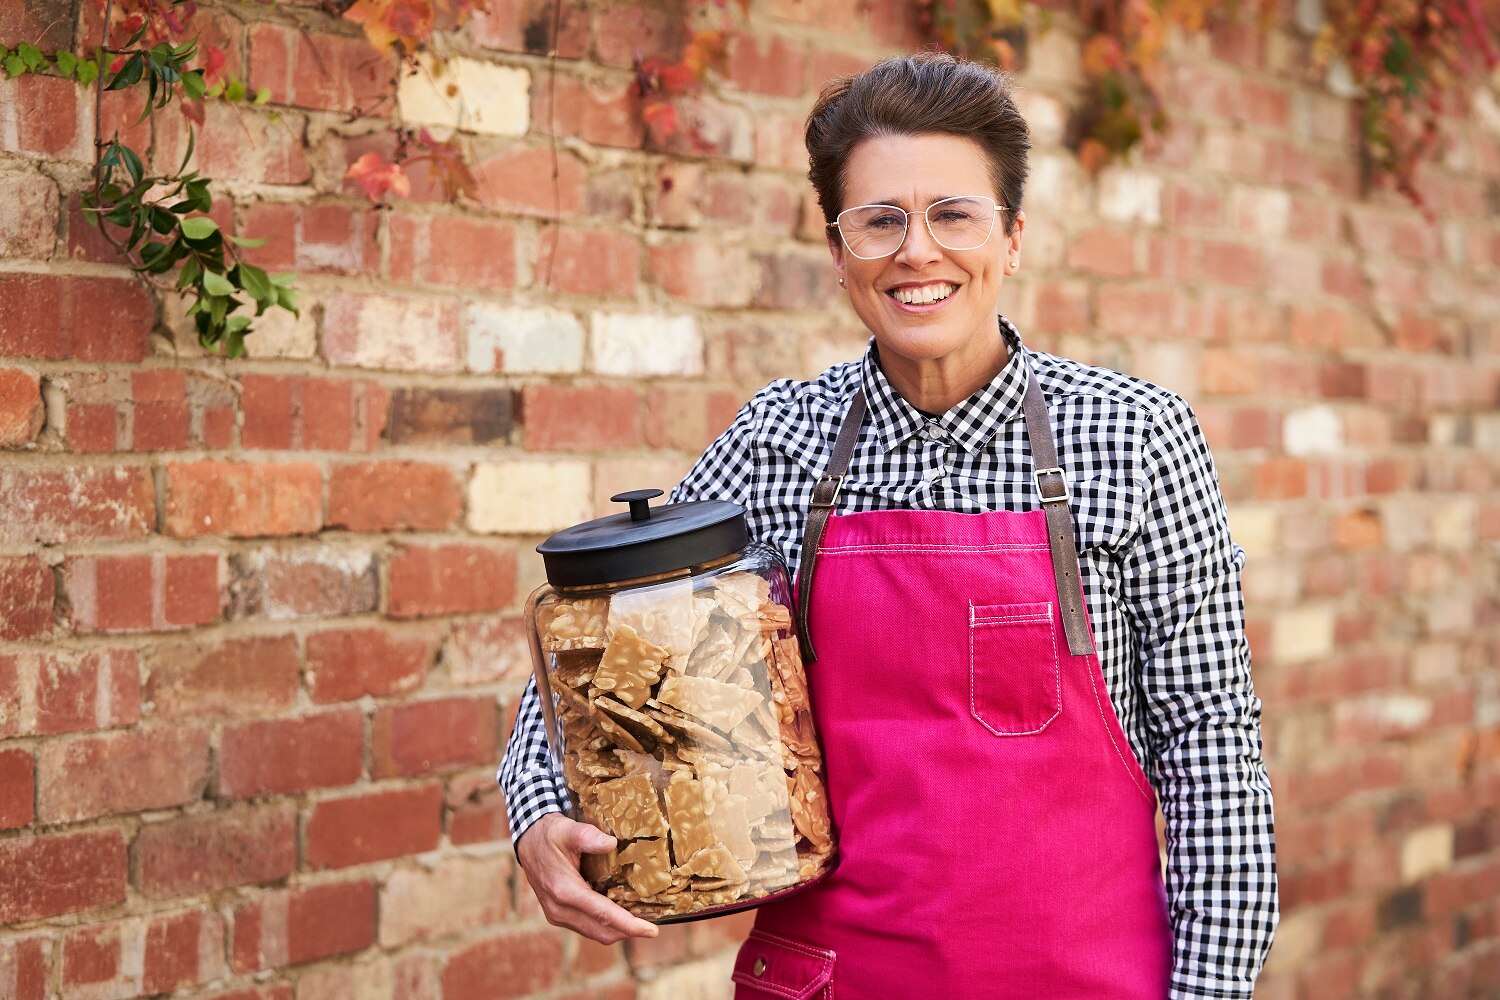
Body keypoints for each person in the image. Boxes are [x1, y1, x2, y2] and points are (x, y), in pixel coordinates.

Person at [500, 52, 1277, 999]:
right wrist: (538, 809)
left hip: (1086, 977)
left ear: (1014, 237)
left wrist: (1211, 990)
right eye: (879, 221)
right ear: (839, 254)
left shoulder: (1134, 436)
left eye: (953, 213)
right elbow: (596, 657)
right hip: (834, 979)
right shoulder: (779, 440)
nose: (917, 251)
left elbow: (1210, 744)